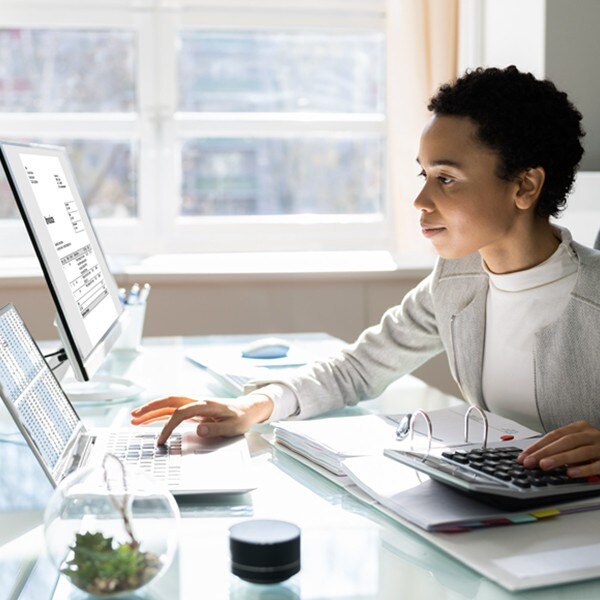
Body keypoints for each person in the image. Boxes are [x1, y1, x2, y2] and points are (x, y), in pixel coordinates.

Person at [131, 66, 600, 478]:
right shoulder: (456, 281)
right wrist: (253, 406)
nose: (421, 201)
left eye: (447, 178)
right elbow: (357, 368)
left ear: (524, 186)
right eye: (424, 176)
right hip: (511, 513)